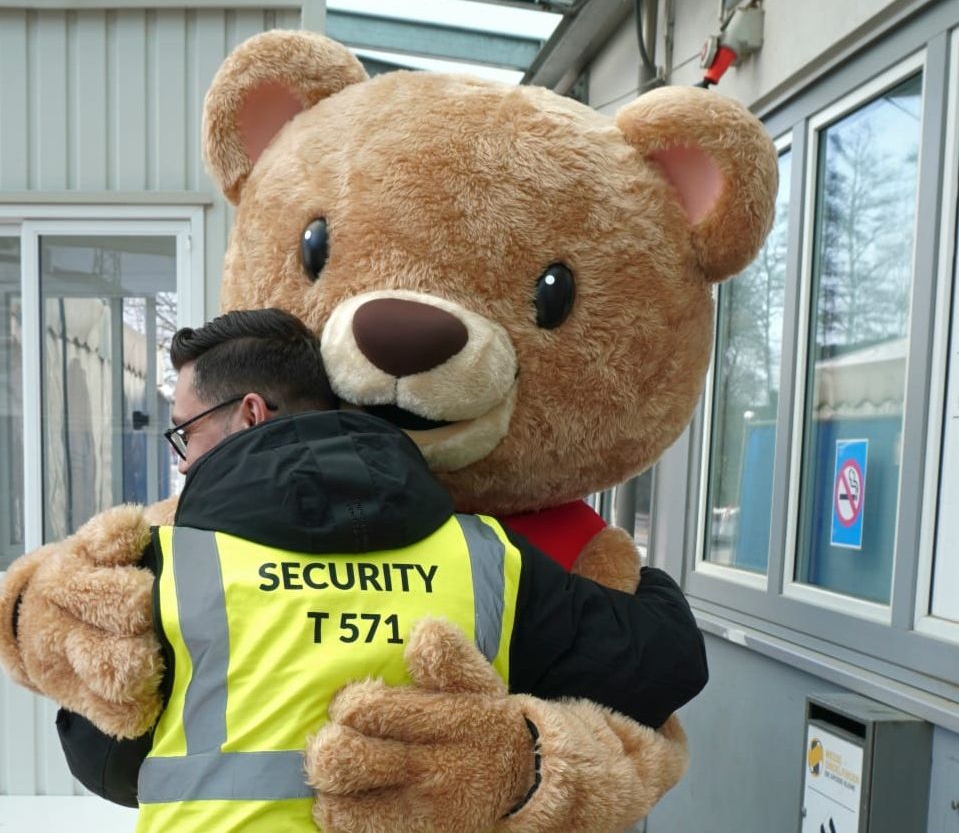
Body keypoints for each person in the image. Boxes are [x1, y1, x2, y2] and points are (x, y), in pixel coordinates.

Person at [57, 308, 708, 831]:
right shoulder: (482, 556)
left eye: (184, 432)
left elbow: (103, 764)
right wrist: (631, 566)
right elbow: (663, 665)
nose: (181, 461)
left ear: (250, 413)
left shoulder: (163, 560)